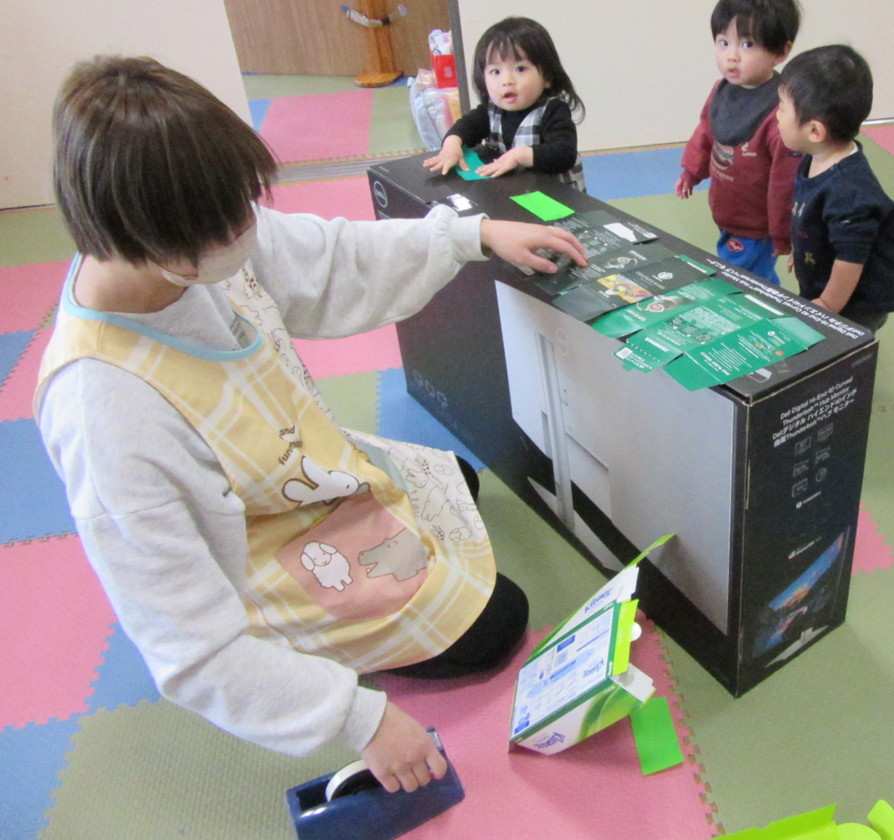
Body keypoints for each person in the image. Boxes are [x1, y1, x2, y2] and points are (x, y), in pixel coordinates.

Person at [35, 56, 588, 794]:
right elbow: (188, 647)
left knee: (454, 479)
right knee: (500, 624)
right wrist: (356, 717)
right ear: (151, 237)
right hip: (258, 557)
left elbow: (329, 255)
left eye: (245, 205)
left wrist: (472, 234)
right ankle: (310, 643)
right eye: (230, 221)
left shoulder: (184, 235)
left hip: (301, 474)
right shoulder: (104, 409)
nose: (249, 230)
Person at [775, 45, 894, 331]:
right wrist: (802, 250)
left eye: (782, 108)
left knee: (844, 340)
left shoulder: (848, 193)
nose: (776, 114)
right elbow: (811, 214)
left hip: (856, 301)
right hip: (825, 276)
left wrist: (828, 306)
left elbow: (850, 260)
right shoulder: (814, 157)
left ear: (814, 131)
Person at [675, 0, 802, 284]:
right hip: (728, 210)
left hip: (757, 224)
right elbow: (706, 131)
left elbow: (786, 180)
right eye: (723, 42)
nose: (731, 56)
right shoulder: (722, 90)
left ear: (781, 51)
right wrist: (691, 171)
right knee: (752, 275)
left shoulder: (779, 113)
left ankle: (763, 309)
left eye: (747, 45)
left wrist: (783, 233)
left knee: (744, 279)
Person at [424, 16, 586, 192]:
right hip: (517, 190)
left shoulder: (553, 110)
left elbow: (564, 154)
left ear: (547, 77)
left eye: (520, 69)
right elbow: (467, 126)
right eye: (495, 71)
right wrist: (452, 143)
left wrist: (519, 155)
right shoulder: (491, 110)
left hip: (554, 196)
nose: (507, 81)